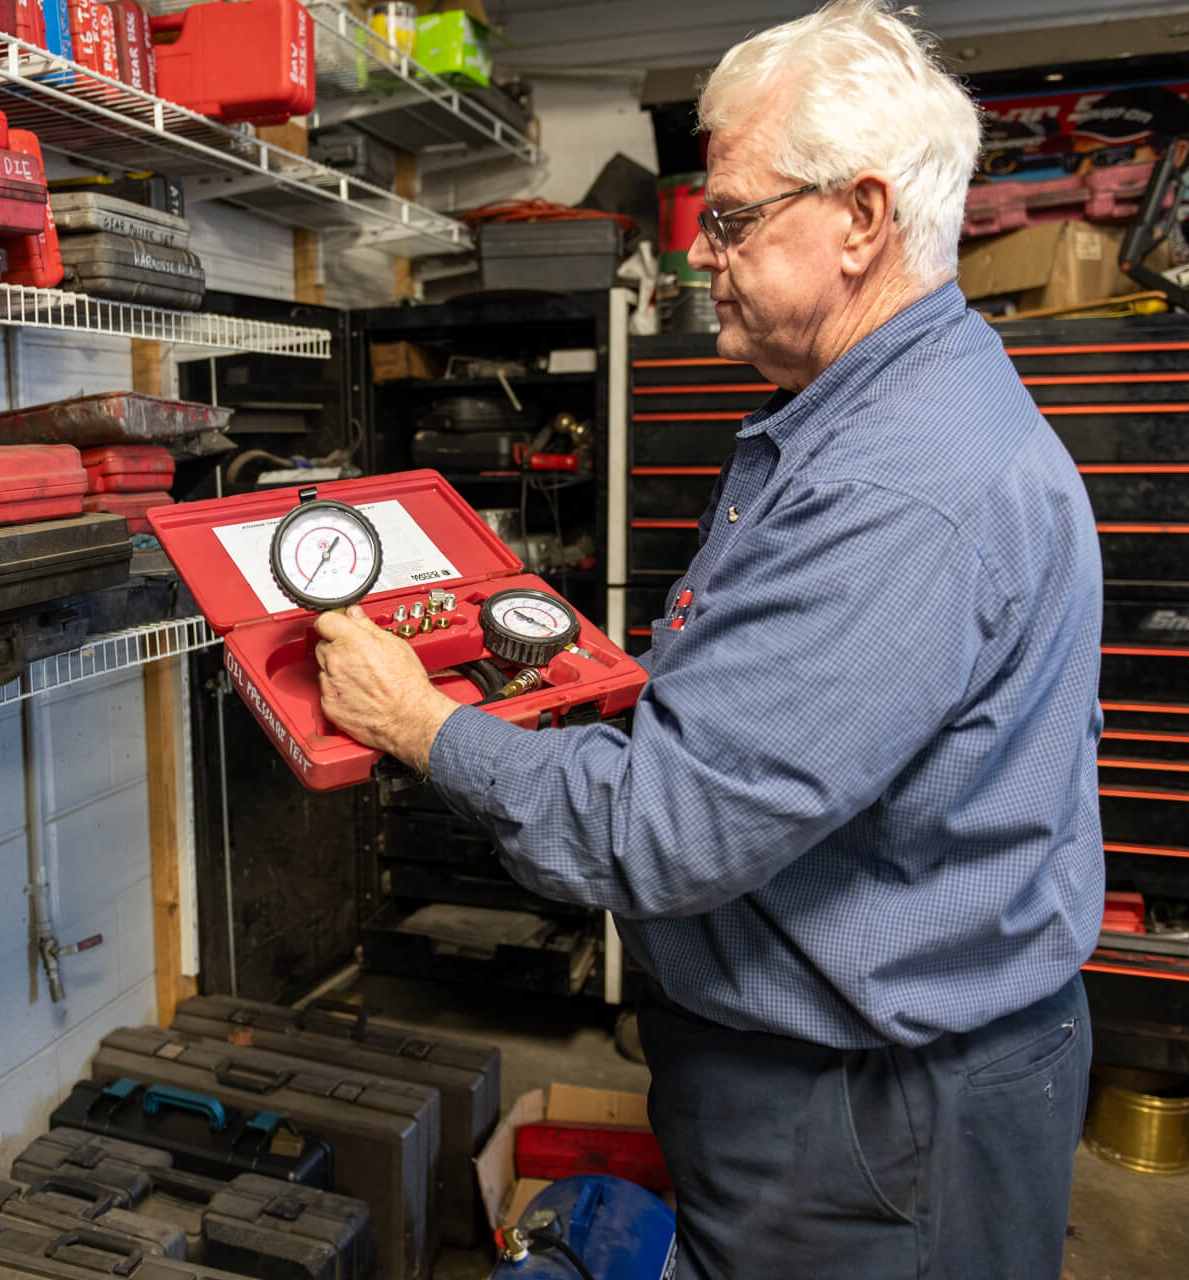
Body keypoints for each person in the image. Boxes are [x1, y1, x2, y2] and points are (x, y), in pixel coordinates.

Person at [312, 1, 1105, 1276]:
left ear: (861, 218)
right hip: (870, 1069)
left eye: (731, 218)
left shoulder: (898, 487)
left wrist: (418, 720)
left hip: (870, 1109)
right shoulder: (881, 406)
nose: (704, 254)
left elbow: (660, 829)